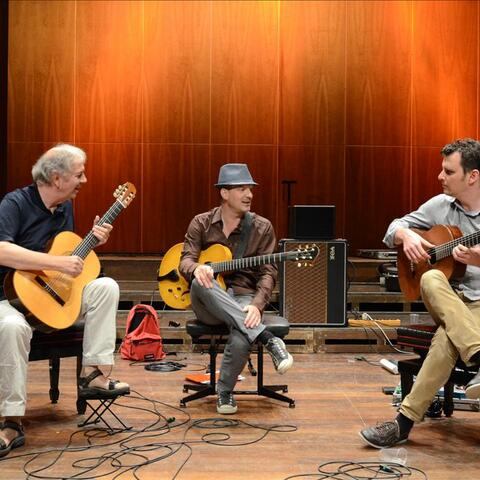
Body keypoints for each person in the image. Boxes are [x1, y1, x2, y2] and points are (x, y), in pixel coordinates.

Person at [0, 144, 129, 458]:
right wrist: (57, 265)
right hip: (8, 297)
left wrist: (91, 243)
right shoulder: (14, 203)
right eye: (79, 174)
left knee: (107, 286)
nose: (84, 180)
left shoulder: (66, 209)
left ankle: (94, 373)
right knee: (11, 328)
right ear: (56, 179)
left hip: (51, 298)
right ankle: (11, 420)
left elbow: (66, 258)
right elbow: (2, 250)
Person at [360, 138, 480, 448]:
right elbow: (392, 228)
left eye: (448, 172)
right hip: (452, 300)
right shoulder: (439, 205)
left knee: (446, 340)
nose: (440, 177)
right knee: (429, 279)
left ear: (473, 176)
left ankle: (402, 423)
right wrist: (406, 235)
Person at [179, 163, 293, 415]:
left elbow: (269, 271)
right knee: (201, 281)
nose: (249, 195)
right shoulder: (201, 223)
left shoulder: (262, 227)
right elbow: (185, 260)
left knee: (244, 329)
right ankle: (267, 338)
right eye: (242, 188)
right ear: (224, 193)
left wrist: (256, 305)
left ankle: (225, 392)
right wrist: (196, 268)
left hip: (244, 296)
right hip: (207, 301)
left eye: (250, 189)